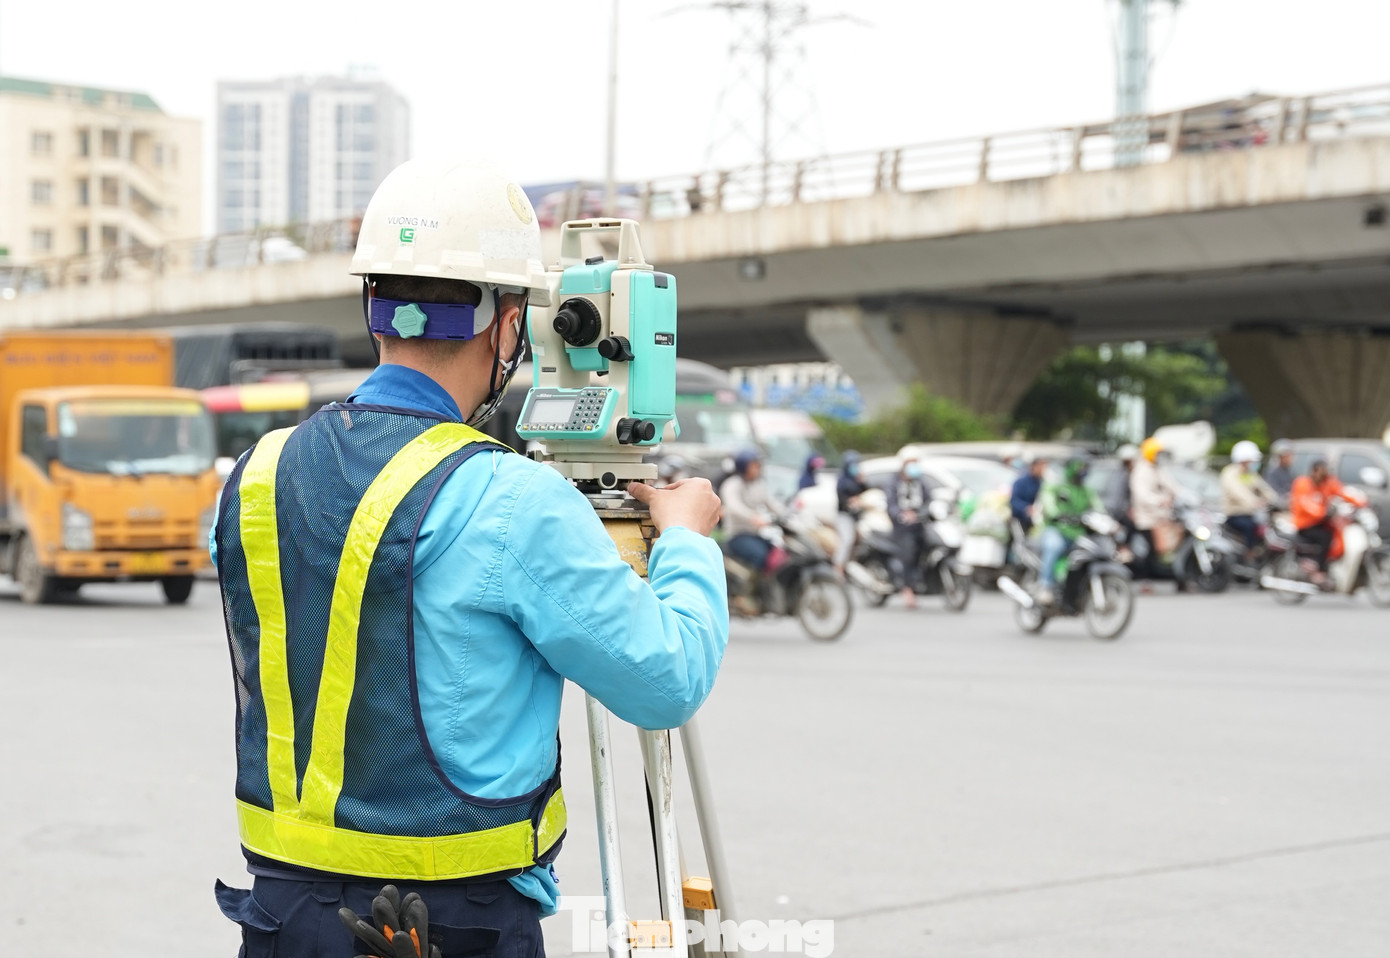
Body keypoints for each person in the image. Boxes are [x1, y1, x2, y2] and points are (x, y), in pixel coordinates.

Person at [209, 158, 729, 958]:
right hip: (446, 929)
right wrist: (687, 539)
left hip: (282, 921)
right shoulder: (510, 499)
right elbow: (666, 682)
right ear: (510, 324)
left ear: (374, 303)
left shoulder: (258, 472)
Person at [1036, 458, 1103, 603]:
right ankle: (1045, 586)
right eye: (1081, 467)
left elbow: (1099, 508)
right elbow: (1049, 504)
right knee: (1055, 547)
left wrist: (1106, 521)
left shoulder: (1086, 490)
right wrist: (1057, 515)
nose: (1084, 471)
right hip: (1057, 530)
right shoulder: (1057, 486)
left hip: (1078, 533)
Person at [1290, 459, 1366, 583]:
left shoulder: (1327, 482)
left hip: (1322, 521)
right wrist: (1322, 513)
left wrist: (1360, 503)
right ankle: (1319, 568)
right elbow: (1305, 503)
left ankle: (1331, 565)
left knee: (1337, 531)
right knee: (1326, 537)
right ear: (1314, 471)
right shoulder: (1303, 483)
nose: (1324, 475)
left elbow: (1342, 492)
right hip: (1306, 524)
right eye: (1321, 472)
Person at [719, 448, 779, 579]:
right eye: (754, 465)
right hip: (737, 535)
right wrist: (753, 517)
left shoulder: (759, 484)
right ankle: (751, 591)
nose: (758, 468)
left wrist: (788, 514)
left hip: (755, 534)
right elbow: (734, 507)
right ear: (743, 466)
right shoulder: (732, 485)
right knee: (759, 554)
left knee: (777, 551)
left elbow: (772, 504)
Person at [1130, 437, 1179, 582]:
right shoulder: (1141, 470)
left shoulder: (1157, 469)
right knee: (1150, 551)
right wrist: (1160, 501)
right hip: (1147, 519)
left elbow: (1173, 486)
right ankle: (1146, 580)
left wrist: (1186, 496)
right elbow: (1142, 496)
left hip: (1161, 517)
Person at [886, 455, 933, 608]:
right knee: (908, 556)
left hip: (919, 525)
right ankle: (907, 590)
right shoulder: (894, 483)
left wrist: (921, 513)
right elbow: (891, 505)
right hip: (902, 528)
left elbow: (929, 501)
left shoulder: (921, 482)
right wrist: (902, 515)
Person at [1220, 440, 1280, 551]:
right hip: (1235, 515)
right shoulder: (1230, 473)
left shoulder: (1250, 474)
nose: (1255, 463)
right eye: (1252, 460)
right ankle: (1249, 554)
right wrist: (1254, 502)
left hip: (1252, 514)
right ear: (1244, 460)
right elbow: (1237, 491)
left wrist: (1275, 500)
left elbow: (1264, 488)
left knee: (1269, 528)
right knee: (1250, 527)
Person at [833, 451, 867, 577]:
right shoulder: (842, 481)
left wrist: (862, 482)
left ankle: (852, 566)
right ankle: (838, 568)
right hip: (845, 516)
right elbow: (844, 501)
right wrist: (851, 502)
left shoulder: (857, 479)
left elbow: (865, 493)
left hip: (857, 517)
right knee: (847, 540)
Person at [1010, 457, 1047, 533]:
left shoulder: (1042, 482)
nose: (1042, 470)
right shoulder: (1021, 482)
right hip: (1020, 520)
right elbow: (1014, 500)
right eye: (1040, 468)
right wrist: (1026, 508)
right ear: (1034, 467)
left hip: (1035, 520)